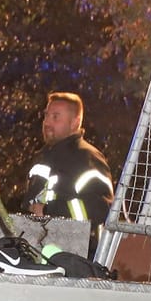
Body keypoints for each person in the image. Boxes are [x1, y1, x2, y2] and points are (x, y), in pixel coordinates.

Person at [24, 92, 114, 233]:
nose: (47, 122)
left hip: (78, 250)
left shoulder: (88, 159)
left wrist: (50, 211)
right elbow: (30, 205)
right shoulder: (42, 156)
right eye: (46, 115)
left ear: (75, 123)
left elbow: (101, 211)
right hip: (40, 243)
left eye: (55, 117)